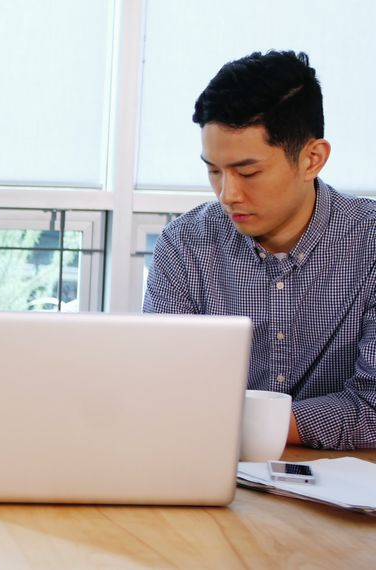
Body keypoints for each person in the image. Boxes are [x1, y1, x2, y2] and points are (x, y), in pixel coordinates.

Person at [144, 50, 376, 450]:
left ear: (312, 159)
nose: (227, 194)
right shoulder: (184, 244)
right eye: (214, 170)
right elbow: (160, 391)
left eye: (248, 172)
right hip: (206, 469)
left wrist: (234, 423)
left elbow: (373, 407)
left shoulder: (370, 243)